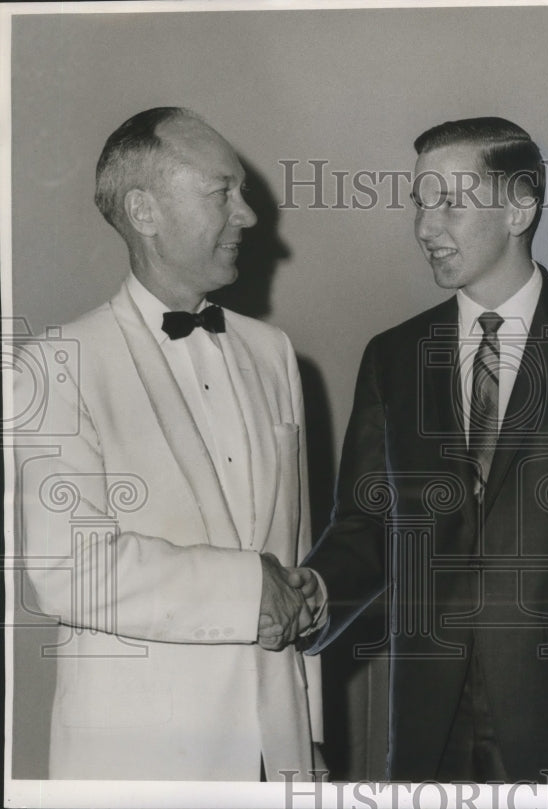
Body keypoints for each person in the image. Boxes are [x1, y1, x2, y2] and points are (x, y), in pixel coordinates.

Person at [294, 117, 548, 783]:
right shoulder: (392, 357)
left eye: (450, 203)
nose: (426, 227)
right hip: (427, 722)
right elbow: (365, 525)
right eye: (420, 203)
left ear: (521, 205)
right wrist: (315, 587)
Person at [13, 107, 323, 780]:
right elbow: (69, 570)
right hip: (140, 765)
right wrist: (246, 587)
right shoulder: (54, 364)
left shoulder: (274, 354)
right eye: (223, 193)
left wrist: (310, 736)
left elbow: (292, 556)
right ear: (144, 210)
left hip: (282, 760)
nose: (247, 215)